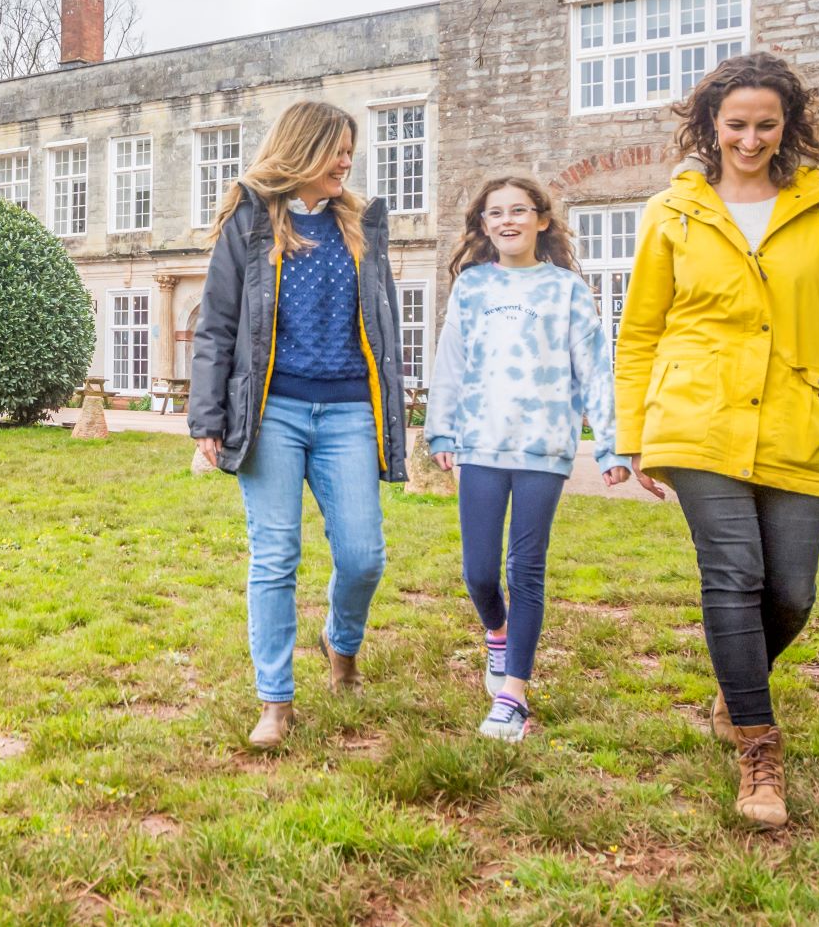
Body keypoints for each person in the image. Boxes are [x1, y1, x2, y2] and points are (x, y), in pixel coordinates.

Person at [614, 51, 819, 829]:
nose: (751, 138)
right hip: (697, 418)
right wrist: (634, 430)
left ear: (788, 124)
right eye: (736, 124)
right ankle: (759, 750)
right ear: (710, 123)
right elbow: (639, 331)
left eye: (767, 124)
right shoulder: (671, 211)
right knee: (732, 573)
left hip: (802, 417)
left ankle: (735, 688)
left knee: (792, 591)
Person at [188, 101, 408, 750]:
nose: (347, 160)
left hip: (347, 413)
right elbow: (217, 324)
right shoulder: (250, 220)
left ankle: (339, 643)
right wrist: (207, 415)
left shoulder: (363, 224)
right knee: (275, 555)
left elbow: (386, 328)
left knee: (364, 556)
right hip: (271, 412)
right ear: (303, 150)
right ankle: (275, 701)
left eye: (350, 150)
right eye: (337, 149)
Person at [423, 174, 631, 742]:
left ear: (542, 220)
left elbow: (594, 370)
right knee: (479, 572)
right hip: (481, 446)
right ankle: (497, 631)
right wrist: (440, 432)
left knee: (526, 569)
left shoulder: (566, 289)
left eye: (520, 210)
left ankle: (513, 694)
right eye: (496, 213)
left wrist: (611, 445)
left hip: (545, 447)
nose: (508, 220)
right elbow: (450, 363)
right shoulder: (471, 287)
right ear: (484, 226)